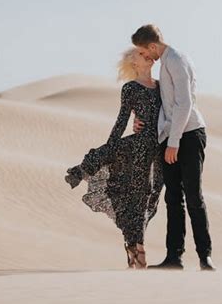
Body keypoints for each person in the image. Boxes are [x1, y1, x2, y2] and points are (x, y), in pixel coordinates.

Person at [64, 48, 164, 269]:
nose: (145, 55)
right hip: (138, 148)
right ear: (134, 63)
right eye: (139, 54)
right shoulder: (130, 88)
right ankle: (139, 250)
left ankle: (131, 244)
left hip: (160, 150)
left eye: (146, 52)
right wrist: (110, 148)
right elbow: (121, 120)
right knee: (137, 195)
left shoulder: (163, 87)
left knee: (151, 197)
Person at [131, 24, 216, 271]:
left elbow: (184, 104)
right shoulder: (167, 62)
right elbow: (164, 104)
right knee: (173, 199)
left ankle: (205, 256)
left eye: (145, 52)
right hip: (172, 137)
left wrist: (174, 142)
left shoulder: (176, 60)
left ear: (153, 46)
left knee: (193, 197)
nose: (146, 56)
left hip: (188, 136)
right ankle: (174, 257)